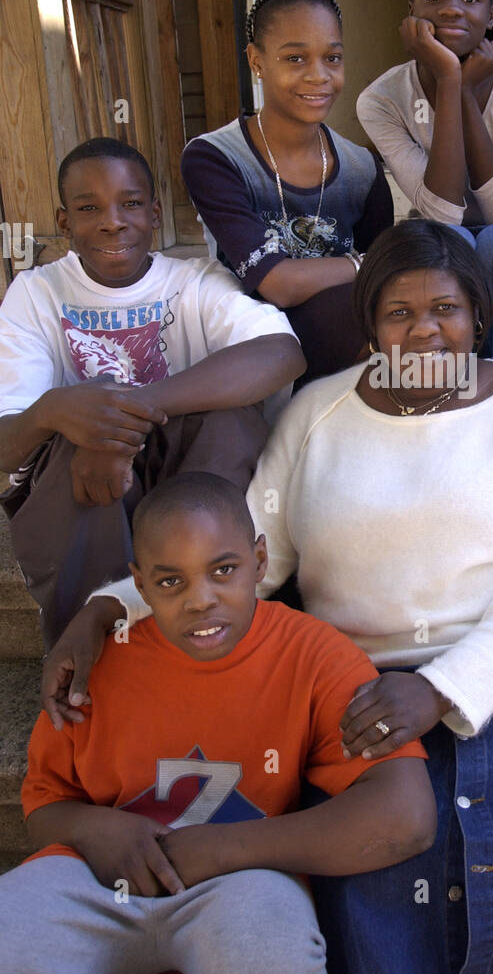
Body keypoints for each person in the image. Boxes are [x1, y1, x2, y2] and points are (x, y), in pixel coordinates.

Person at [46, 221, 493, 974]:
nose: (426, 329)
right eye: (399, 312)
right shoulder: (316, 414)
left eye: (447, 308)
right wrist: (108, 607)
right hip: (356, 675)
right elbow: (249, 555)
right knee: (377, 865)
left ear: (477, 315)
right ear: (370, 325)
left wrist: (441, 688)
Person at [0, 473, 433, 974]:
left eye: (223, 571)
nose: (201, 600)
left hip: (246, 879)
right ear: (139, 583)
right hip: (90, 873)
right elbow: (44, 803)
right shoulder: (97, 662)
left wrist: (221, 849)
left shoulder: (313, 654)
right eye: (171, 582)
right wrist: (94, 829)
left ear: (259, 559)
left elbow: (407, 818)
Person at [0, 137, 304, 649]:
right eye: (88, 208)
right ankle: (99, 648)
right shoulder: (36, 292)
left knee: (230, 422)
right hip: (82, 489)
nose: (112, 221)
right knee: (71, 439)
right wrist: (60, 412)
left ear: (156, 213)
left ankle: (203, 619)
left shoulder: (194, 280)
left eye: (131, 203)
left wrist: (118, 419)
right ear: (64, 219)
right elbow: (7, 444)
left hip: (176, 472)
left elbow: (281, 353)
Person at [180, 0, 393, 383]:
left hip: (344, 331)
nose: (319, 76)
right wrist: (363, 264)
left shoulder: (362, 168)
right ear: (256, 62)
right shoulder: (215, 158)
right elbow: (275, 284)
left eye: (332, 58)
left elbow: (384, 279)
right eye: (295, 58)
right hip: (250, 332)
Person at [356, 0, 493, 367]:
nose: (451, 8)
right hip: (434, 229)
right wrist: (450, 79)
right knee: (454, 241)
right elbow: (443, 216)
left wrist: (459, 95)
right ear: (411, 12)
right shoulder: (380, 100)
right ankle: (450, 384)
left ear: (491, 14)